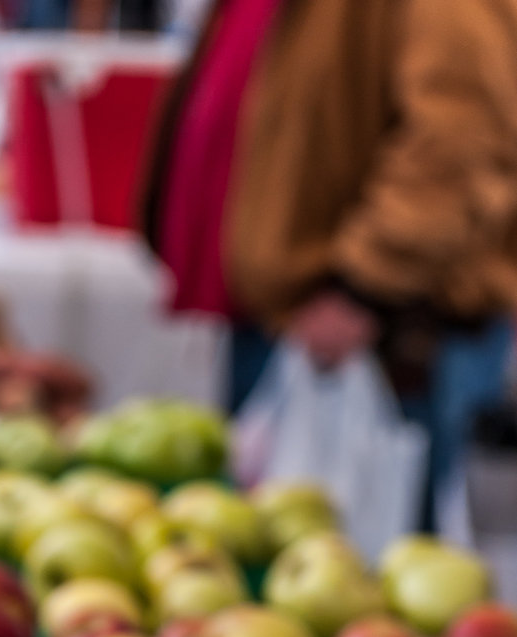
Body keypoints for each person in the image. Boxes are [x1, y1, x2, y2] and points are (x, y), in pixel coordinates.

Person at [139, 0, 517, 511]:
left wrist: (366, 286)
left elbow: (462, 138)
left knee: (371, 552)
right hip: (288, 311)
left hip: (381, 327)